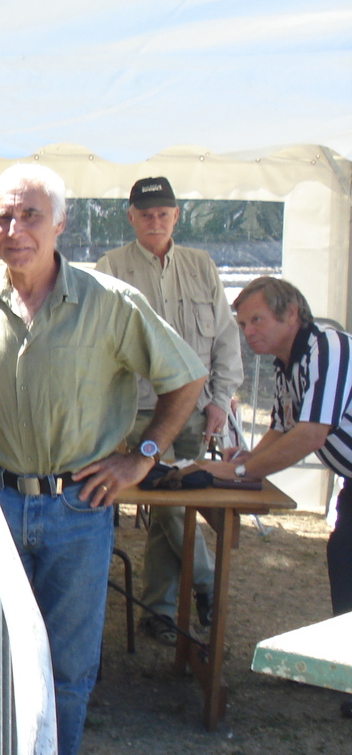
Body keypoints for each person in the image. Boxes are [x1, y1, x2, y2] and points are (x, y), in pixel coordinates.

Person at [0, 163, 206, 755]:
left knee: (67, 669)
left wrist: (142, 457)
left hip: (78, 509)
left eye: (30, 215)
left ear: (61, 223)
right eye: (3, 217)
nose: (15, 229)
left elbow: (186, 379)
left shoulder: (110, 301)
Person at [95, 177, 243, 643]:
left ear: (177, 216)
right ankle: (207, 582)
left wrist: (220, 399)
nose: (155, 221)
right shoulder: (110, 267)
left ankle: (158, 611)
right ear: (131, 217)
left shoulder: (201, 265)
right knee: (171, 504)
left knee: (171, 511)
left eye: (163, 213)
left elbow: (225, 337)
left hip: (195, 410)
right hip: (140, 410)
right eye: (146, 214)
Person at [200, 276, 352, 625]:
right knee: (344, 559)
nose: (248, 332)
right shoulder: (288, 363)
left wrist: (241, 472)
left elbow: (311, 434)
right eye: (242, 325)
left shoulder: (329, 348)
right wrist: (248, 459)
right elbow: (282, 429)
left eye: (257, 320)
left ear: (292, 314)